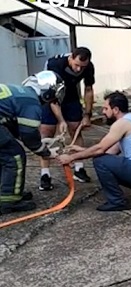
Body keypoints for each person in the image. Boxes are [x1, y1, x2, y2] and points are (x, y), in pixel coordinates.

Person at [57, 92, 131, 212]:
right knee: (104, 160)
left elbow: (100, 150)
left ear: (116, 110)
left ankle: (117, 201)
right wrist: (80, 151)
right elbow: (110, 152)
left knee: (100, 162)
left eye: (106, 108)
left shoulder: (121, 124)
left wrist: (71, 158)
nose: (103, 111)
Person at [0, 71, 64, 215]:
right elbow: (28, 135)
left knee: (4, 154)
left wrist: (41, 142)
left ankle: (6, 190)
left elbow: (13, 126)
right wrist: (46, 152)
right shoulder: (31, 102)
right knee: (14, 156)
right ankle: (8, 201)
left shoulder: (19, 92)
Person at [39, 47, 95, 191]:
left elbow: (88, 89)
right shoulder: (55, 64)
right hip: (51, 95)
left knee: (76, 128)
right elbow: (53, 98)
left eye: (82, 67)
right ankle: (45, 174)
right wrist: (61, 120)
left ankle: (79, 168)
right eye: (76, 65)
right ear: (71, 57)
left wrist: (87, 114)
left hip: (70, 95)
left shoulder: (88, 67)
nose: (78, 70)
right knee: (46, 132)